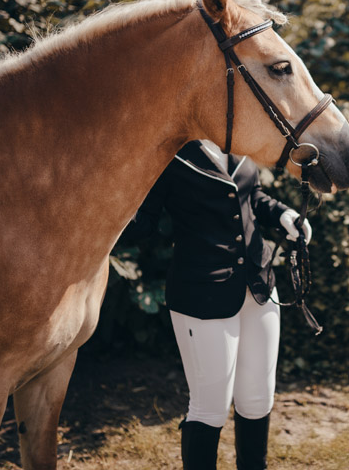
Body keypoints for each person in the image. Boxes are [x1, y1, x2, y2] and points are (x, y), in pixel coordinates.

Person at [123, 139, 311, 470]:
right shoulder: (169, 151)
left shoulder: (237, 139)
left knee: (257, 399)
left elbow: (251, 197)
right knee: (210, 407)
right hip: (200, 292)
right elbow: (144, 221)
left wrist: (284, 214)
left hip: (259, 285)